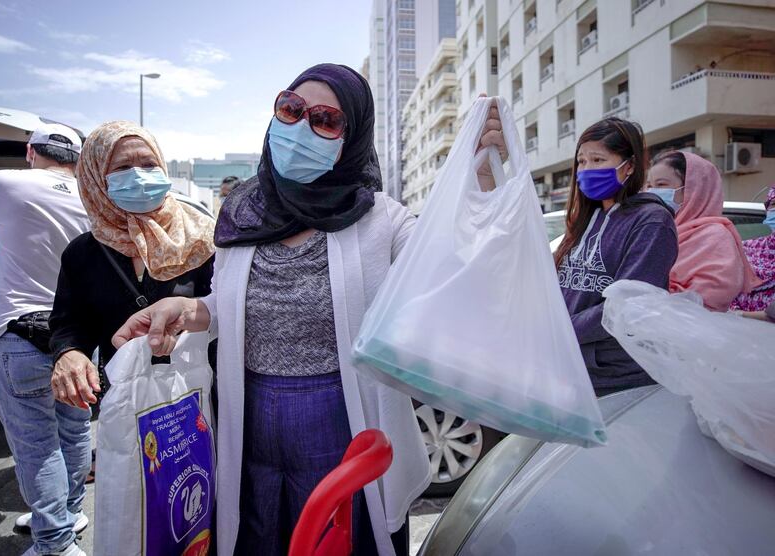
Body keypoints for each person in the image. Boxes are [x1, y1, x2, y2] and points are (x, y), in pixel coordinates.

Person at [112, 65, 508, 556]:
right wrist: (187, 309)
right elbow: (232, 306)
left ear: (352, 138)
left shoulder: (380, 219)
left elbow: (452, 271)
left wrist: (481, 186)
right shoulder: (244, 212)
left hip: (340, 419)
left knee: (337, 536)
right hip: (249, 414)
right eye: (291, 110)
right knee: (258, 533)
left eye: (325, 119)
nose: (300, 128)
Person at [0, 124, 92, 556]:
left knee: (36, 445)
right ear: (78, 160)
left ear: (30, 151)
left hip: (19, 330)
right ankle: (68, 514)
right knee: (75, 433)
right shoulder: (90, 195)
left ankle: (55, 542)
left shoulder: (5, 182)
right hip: (78, 335)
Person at [49, 121, 215, 410]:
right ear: (96, 177)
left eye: (149, 164)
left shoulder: (202, 239)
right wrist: (70, 352)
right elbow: (70, 322)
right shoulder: (83, 252)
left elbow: (225, 306)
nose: (139, 176)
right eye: (123, 167)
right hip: (126, 399)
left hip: (198, 393)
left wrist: (183, 323)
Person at [554, 117, 678, 397]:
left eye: (597, 160)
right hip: (572, 364)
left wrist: (559, 330)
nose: (586, 170)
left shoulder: (652, 222)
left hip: (615, 376)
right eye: (582, 161)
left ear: (630, 166)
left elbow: (626, 306)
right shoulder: (587, 217)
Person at [646, 150, 760, 311]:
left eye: (662, 185)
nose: (652, 192)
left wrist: (654, 296)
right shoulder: (654, 231)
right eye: (649, 186)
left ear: (693, 189)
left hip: (692, 329)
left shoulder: (715, 237)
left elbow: (713, 295)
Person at [732, 184, 775, 318]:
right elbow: (724, 288)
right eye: (774, 204)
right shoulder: (743, 248)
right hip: (732, 331)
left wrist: (742, 315)